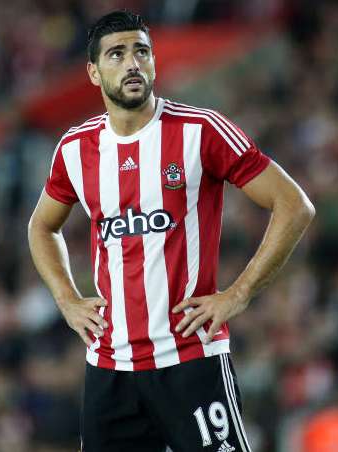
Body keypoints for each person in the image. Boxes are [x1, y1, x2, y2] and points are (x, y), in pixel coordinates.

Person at [28, 10, 315, 452]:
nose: (132, 63)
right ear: (93, 72)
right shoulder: (74, 148)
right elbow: (42, 227)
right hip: (110, 369)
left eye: (141, 51)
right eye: (117, 54)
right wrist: (66, 300)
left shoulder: (201, 131)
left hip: (191, 361)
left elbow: (294, 206)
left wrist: (238, 294)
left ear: (154, 62)